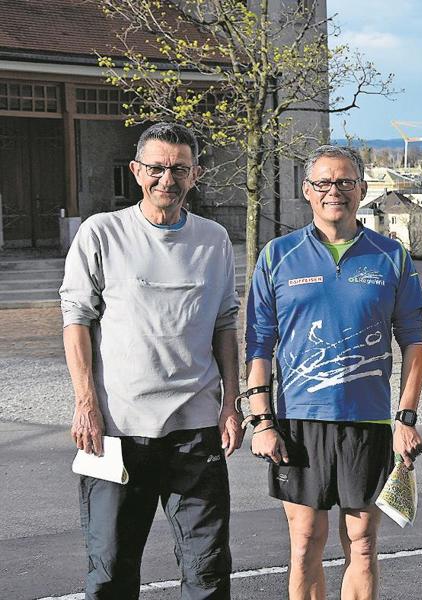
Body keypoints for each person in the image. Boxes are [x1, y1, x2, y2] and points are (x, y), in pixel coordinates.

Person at [60, 122, 241, 599]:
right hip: (117, 432)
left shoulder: (214, 240)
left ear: (196, 173)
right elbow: (76, 320)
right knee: (112, 570)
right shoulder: (103, 233)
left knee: (207, 571)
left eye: (179, 169)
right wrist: (86, 404)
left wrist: (231, 404)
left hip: (195, 431)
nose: (168, 179)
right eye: (157, 168)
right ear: (137, 171)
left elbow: (225, 324)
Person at [244, 145, 422, 600]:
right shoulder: (277, 256)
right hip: (298, 422)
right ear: (307, 191)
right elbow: (259, 345)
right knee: (305, 542)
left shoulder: (392, 257)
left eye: (345, 182)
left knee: (362, 545)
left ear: (363, 190)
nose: (334, 192)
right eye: (323, 183)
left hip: (367, 422)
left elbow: (414, 342)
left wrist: (404, 418)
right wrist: (262, 422)